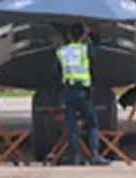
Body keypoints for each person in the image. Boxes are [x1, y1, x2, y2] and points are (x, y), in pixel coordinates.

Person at [56, 22, 110, 166]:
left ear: (68, 35)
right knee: (92, 124)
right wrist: (91, 33)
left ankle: (74, 157)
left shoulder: (62, 51)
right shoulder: (85, 49)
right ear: (83, 35)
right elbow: (98, 47)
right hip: (82, 92)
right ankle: (94, 155)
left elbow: (55, 70)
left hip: (68, 91)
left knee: (72, 127)